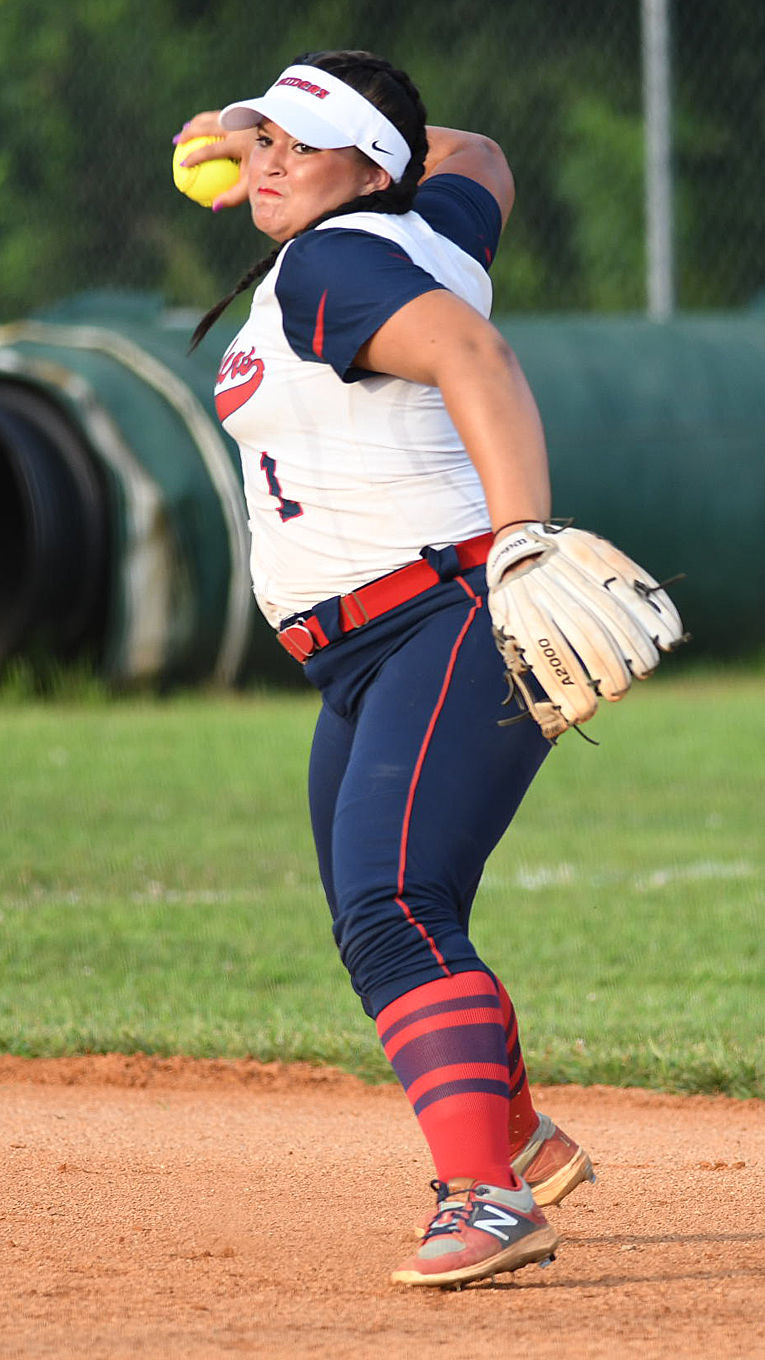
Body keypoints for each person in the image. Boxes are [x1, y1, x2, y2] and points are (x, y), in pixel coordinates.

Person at [174, 49, 681, 1289]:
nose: (271, 159)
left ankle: (487, 1198)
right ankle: (509, 1129)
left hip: (437, 622)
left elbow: (477, 361)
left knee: (393, 906)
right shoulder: (422, 225)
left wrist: (522, 543)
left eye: (302, 141)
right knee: (378, 916)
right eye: (271, 139)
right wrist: (262, 124)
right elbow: (481, 159)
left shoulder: (338, 260)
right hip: (373, 650)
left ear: (367, 168)